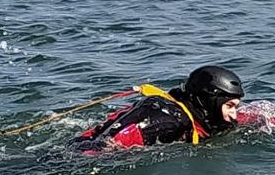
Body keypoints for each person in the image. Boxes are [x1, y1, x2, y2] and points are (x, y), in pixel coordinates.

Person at [71, 65, 250, 153]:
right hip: (76, 155)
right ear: (208, 102)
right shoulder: (168, 121)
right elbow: (106, 145)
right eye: (229, 106)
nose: (233, 114)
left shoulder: (192, 111)